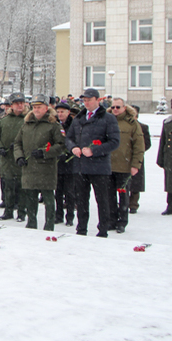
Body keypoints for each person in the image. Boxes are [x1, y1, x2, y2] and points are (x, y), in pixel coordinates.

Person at [66, 88, 120, 237]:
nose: (87, 103)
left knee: (102, 200)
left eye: (89, 100)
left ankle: (103, 229)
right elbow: (68, 138)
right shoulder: (78, 118)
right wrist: (73, 148)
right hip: (80, 166)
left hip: (99, 167)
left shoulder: (108, 118)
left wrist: (95, 150)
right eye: (85, 100)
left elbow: (114, 142)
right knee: (81, 200)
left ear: (98, 100)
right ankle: (81, 228)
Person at [13, 94, 66, 231]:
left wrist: (44, 152)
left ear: (46, 108)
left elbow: (61, 145)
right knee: (30, 197)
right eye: (34, 107)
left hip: (46, 167)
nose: (36, 110)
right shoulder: (26, 124)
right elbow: (18, 143)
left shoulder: (53, 124)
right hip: (29, 166)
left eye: (39, 107)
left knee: (48, 198)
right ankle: (31, 223)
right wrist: (19, 156)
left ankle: (49, 225)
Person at [107, 98, 145, 233]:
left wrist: (136, 164)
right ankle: (111, 220)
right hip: (108, 166)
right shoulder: (106, 121)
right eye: (113, 107)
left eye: (118, 107)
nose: (115, 110)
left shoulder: (132, 124)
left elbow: (139, 146)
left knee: (123, 196)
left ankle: (122, 222)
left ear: (124, 108)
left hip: (124, 166)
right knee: (109, 196)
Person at [0, 92, 29, 222]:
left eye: (21, 103)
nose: (19, 105)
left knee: (22, 186)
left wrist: (22, 145)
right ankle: (8, 210)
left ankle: (21, 211)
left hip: (22, 157)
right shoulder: (4, 120)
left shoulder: (29, 119)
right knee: (7, 184)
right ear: (11, 105)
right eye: (16, 103)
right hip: (6, 157)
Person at [54, 102, 76, 226]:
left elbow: (74, 140)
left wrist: (68, 152)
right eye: (58, 112)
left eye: (62, 112)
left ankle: (70, 216)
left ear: (68, 113)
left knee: (70, 192)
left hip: (70, 162)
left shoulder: (73, 125)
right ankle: (59, 215)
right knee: (58, 191)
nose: (60, 114)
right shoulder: (55, 125)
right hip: (57, 162)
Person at [128, 105, 151, 214]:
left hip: (137, 157)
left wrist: (137, 151)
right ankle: (123, 202)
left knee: (136, 182)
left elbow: (147, 144)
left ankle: (133, 204)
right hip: (123, 158)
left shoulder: (143, 127)